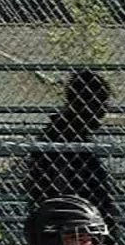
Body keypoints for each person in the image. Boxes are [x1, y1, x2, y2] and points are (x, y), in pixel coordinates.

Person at [28, 70, 116, 225]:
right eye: (99, 103)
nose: (103, 111)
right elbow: (59, 181)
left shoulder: (74, 135)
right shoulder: (61, 134)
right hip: (71, 218)